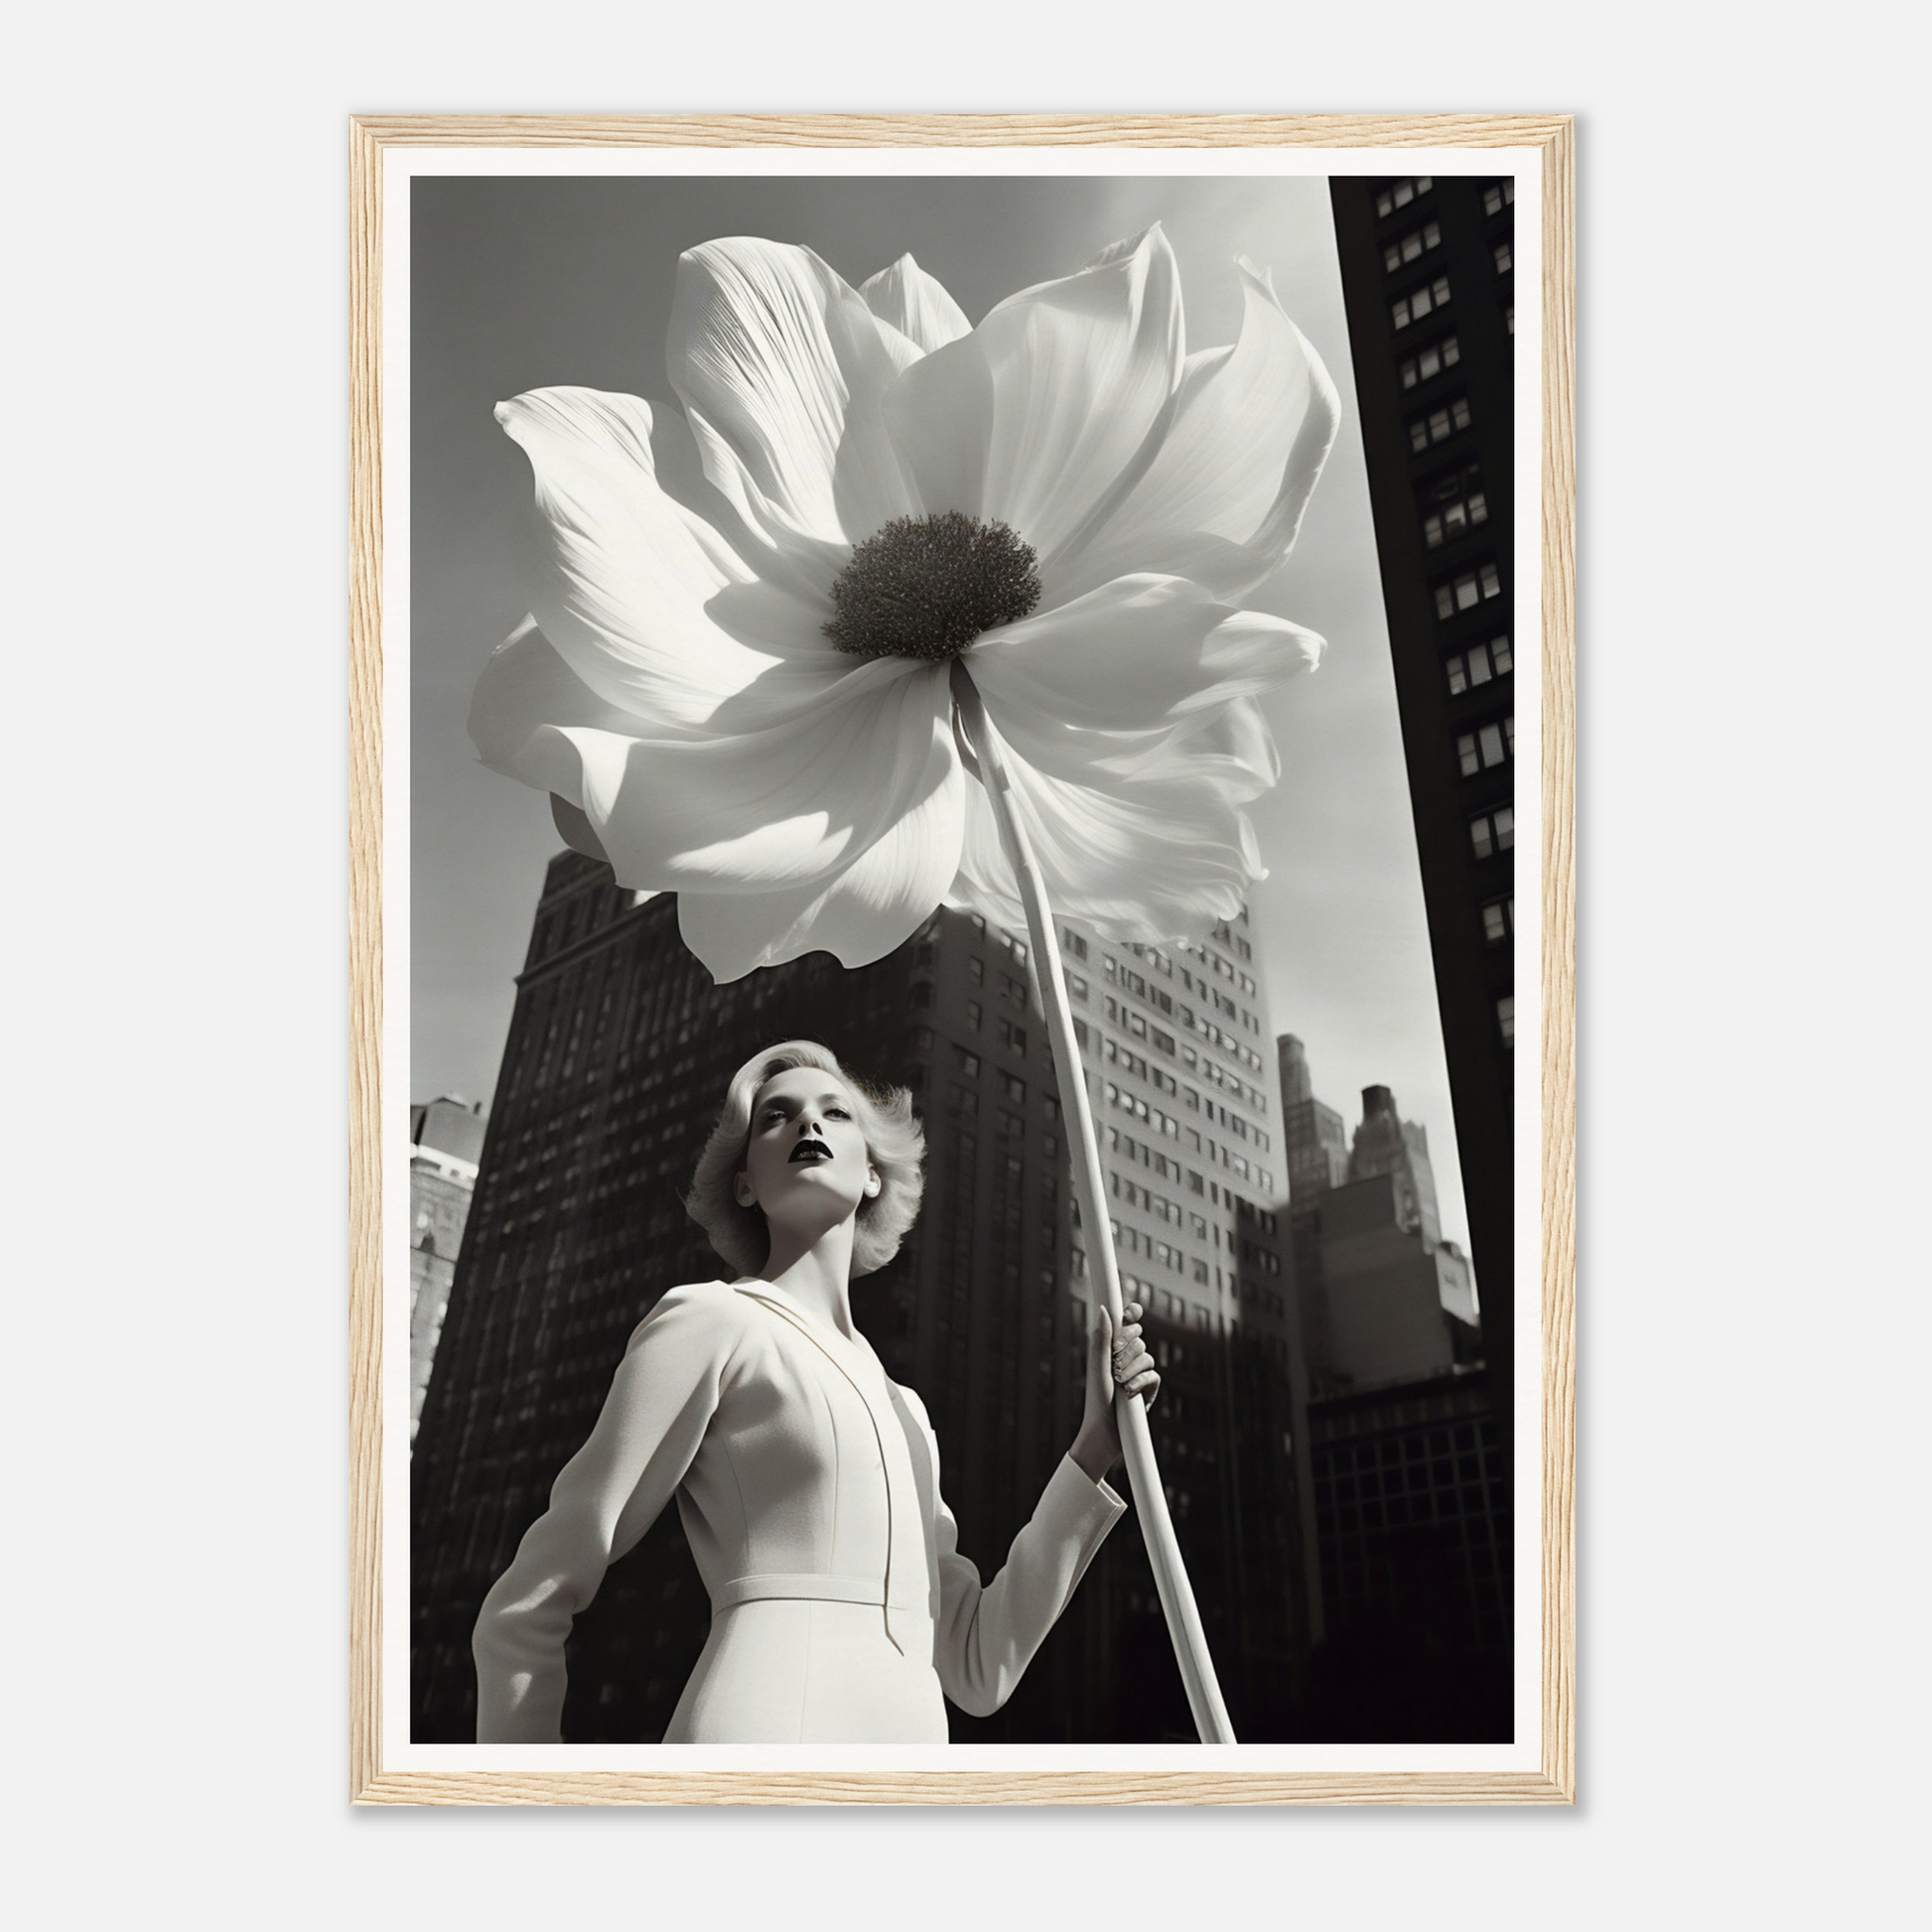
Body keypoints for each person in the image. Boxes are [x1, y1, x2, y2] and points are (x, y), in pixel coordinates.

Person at [473, 1039, 1161, 1743]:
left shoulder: (906, 1409)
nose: (808, 1126)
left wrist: (1095, 1448)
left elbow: (978, 1668)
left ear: (872, 1174)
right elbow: (529, 1603)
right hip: (761, 1738)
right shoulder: (712, 1320)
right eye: (778, 1117)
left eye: (835, 1113)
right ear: (744, 1183)